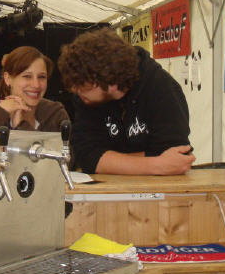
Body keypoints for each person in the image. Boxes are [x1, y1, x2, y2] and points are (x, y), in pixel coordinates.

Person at [57, 27, 195, 175]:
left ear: (111, 82)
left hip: (161, 188)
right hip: (110, 187)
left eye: (82, 85)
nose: (75, 89)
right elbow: (86, 157)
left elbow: (178, 157)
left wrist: (109, 160)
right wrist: (157, 164)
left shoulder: (160, 87)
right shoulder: (87, 99)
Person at [0, 46, 69, 131]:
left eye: (41, 77)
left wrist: (21, 125)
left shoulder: (55, 114)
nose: (36, 85)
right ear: (8, 79)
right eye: (27, 76)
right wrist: (0, 112)